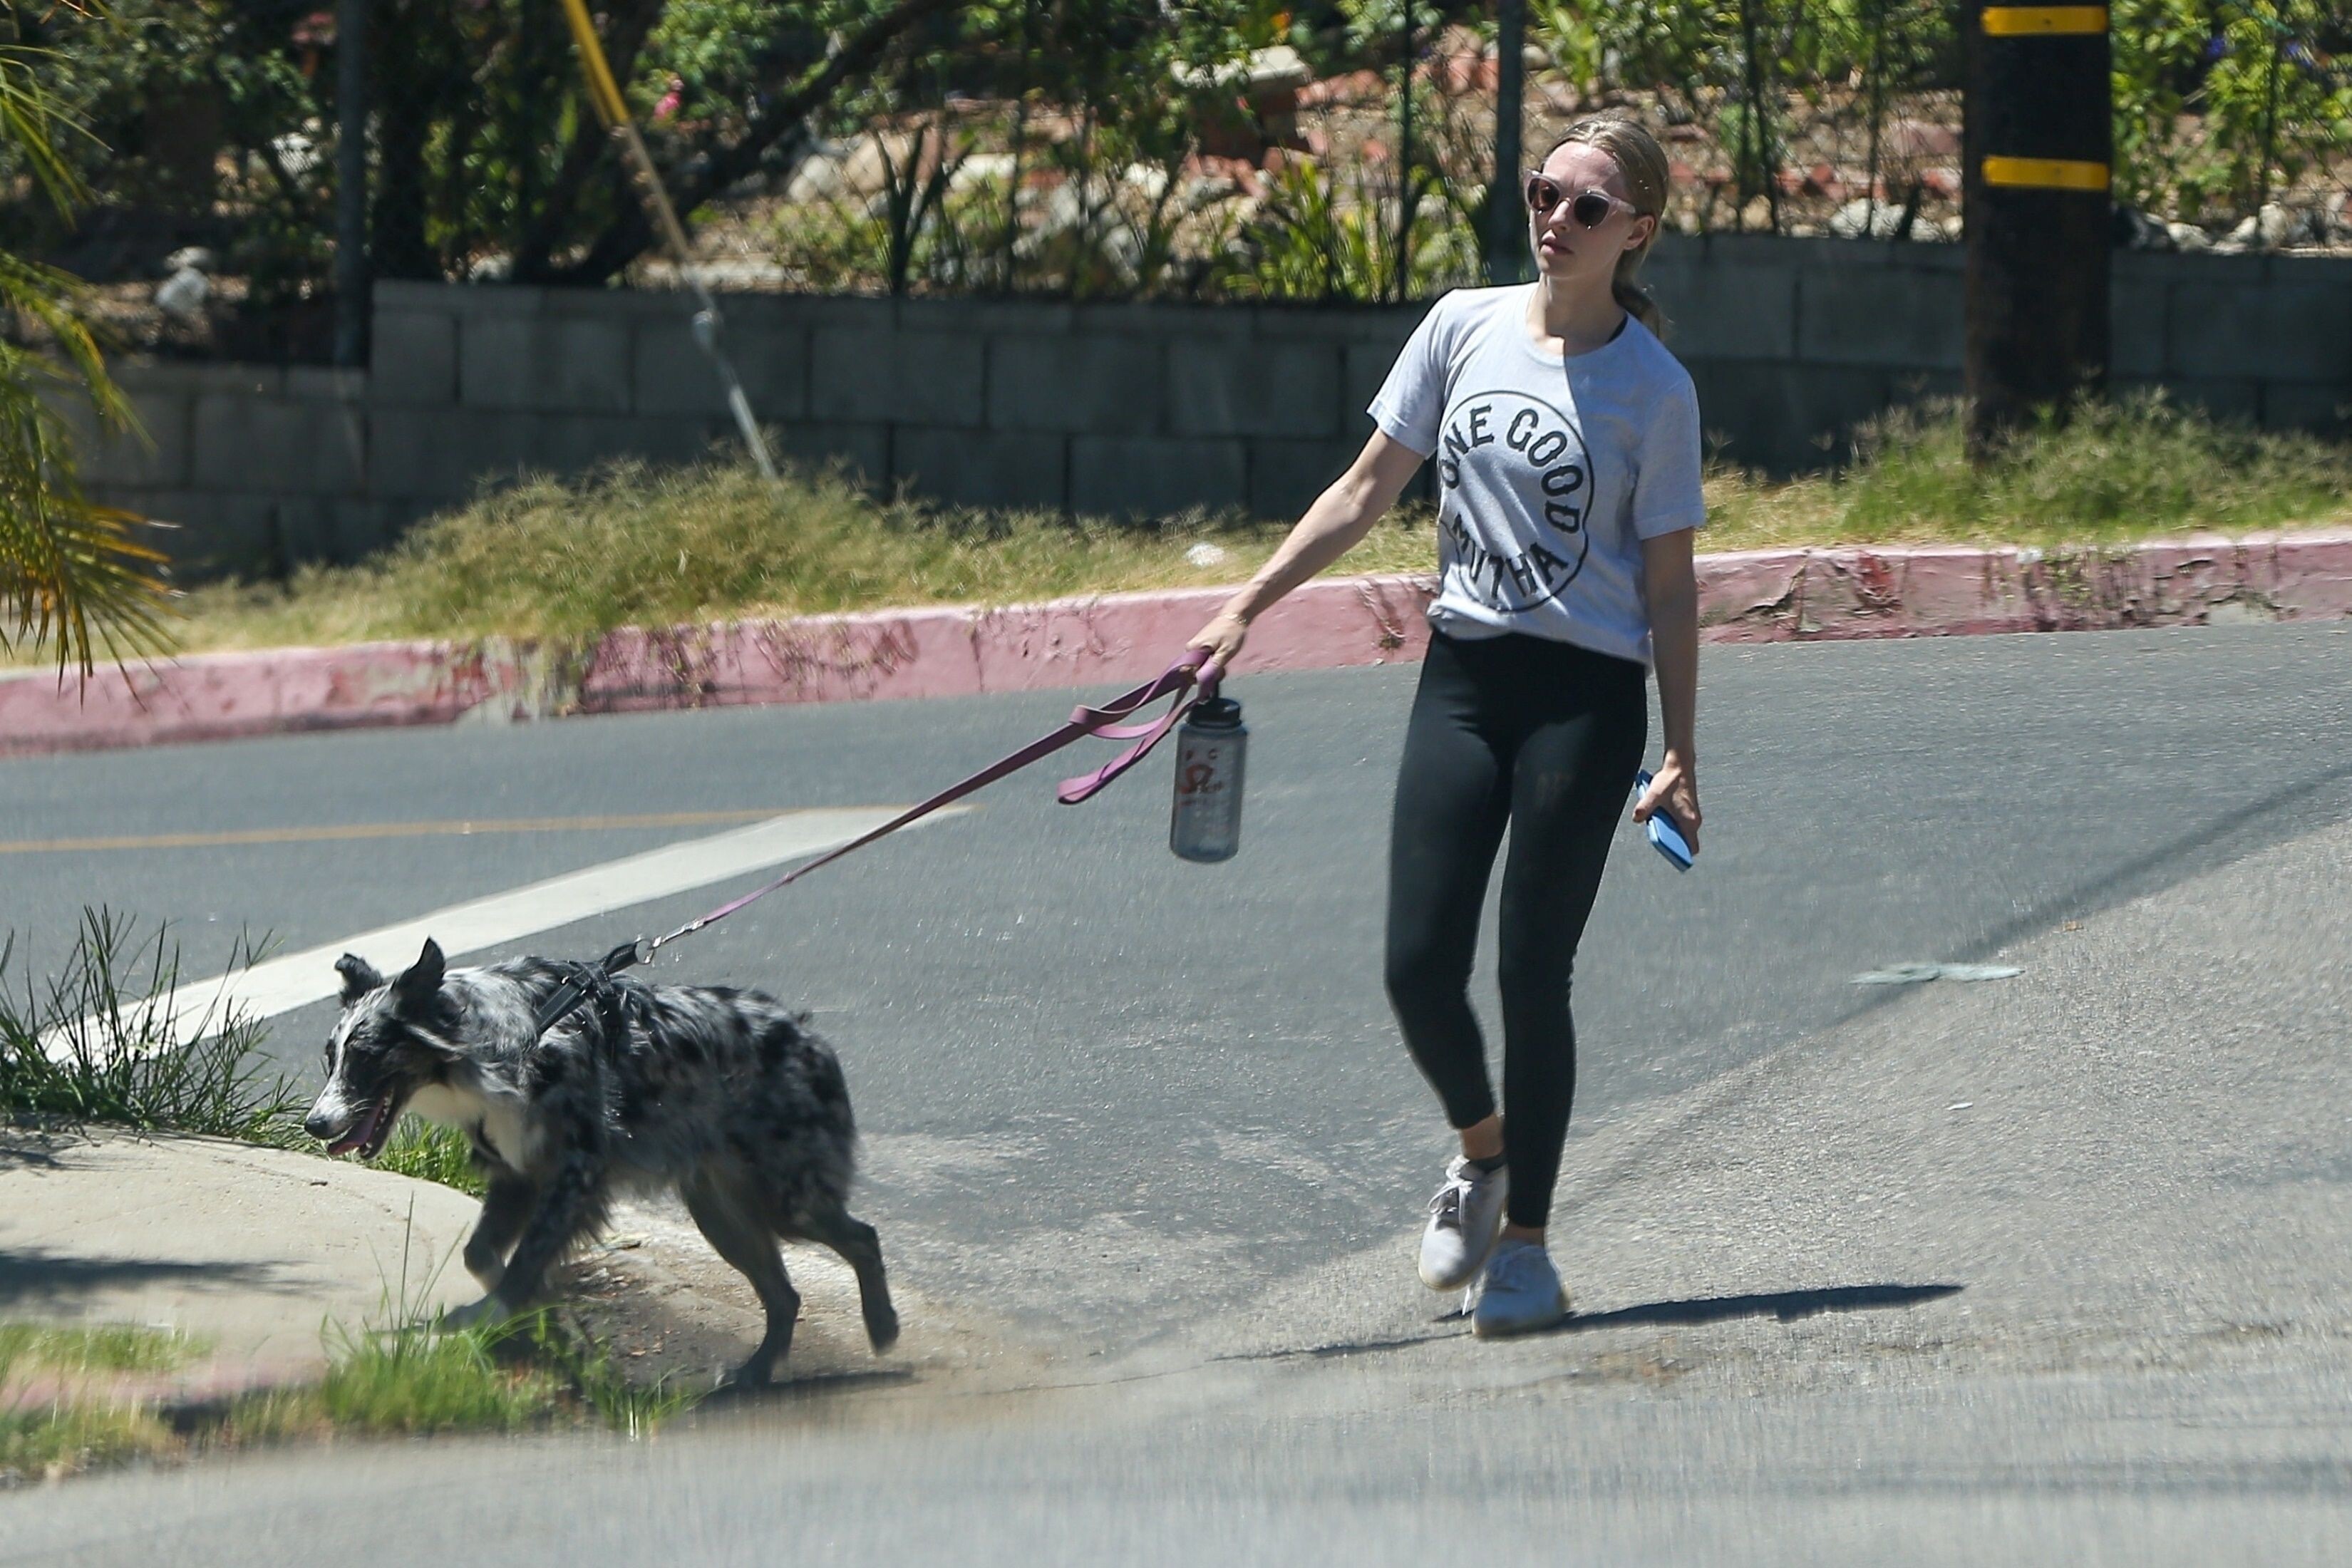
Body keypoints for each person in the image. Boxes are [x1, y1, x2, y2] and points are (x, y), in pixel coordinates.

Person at [1186, 114, 1705, 1339]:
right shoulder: (1461, 326)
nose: (1555, 220)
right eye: (1543, 194)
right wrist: (1243, 606)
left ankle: (1527, 1250)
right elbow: (1367, 489)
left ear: (1637, 232)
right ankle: (1486, 1154)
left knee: (1532, 970)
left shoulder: (1655, 389)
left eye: (1586, 207)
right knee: (1417, 964)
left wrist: (1681, 748)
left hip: (1583, 699)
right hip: (1465, 674)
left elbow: (1672, 585)